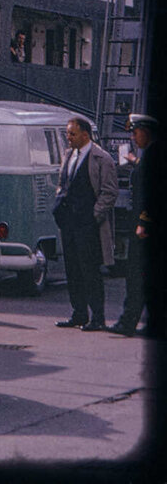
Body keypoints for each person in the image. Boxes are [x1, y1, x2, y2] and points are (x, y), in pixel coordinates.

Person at [53, 115, 118, 330]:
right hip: (69, 223)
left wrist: (94, 216)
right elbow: (63, 183)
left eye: (72, 133)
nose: (68, 137)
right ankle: (79, 313)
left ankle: (97, 317)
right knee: (72, 269)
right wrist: (59, 205)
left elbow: (109, 192)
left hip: (88, 224)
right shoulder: (69, 155)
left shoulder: (102, 158)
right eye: (67, 133)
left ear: (85, 134)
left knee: (90, 270)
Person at [110, 114, 159, 336]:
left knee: (136, 276)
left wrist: (143, 223)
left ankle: (127, 322)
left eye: (135, 131)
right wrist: (134, 161)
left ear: (146, 131)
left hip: (146, 229)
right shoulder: (149, 156)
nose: (133, 136)